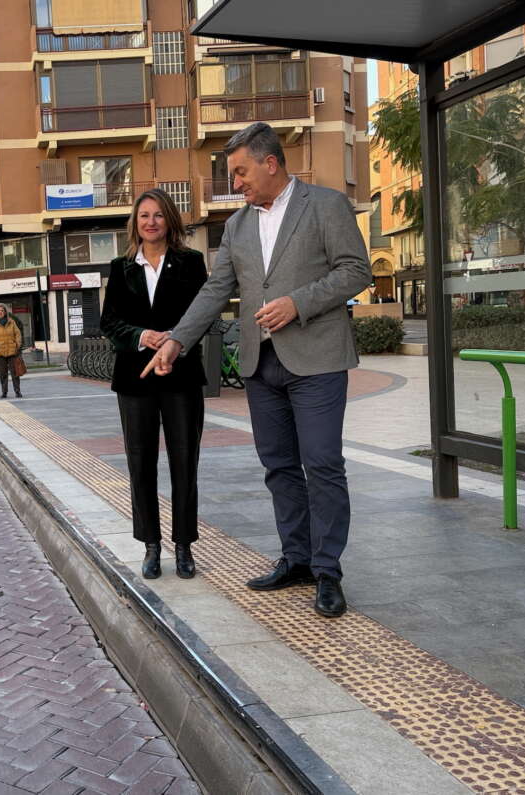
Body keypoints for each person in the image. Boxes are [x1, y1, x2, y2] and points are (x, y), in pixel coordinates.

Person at [143, 122, 371, 617]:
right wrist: (177, 341)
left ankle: (328, 571)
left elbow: (357, 271)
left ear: (271, 163)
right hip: (260, 365)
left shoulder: (327, 205)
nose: (236, 183)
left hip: (316, 361)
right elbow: (214, 290)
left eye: (241, 172)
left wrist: (298, 302)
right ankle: (297, 559)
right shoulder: (239, 226)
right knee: (280, 468)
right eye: (232, 175)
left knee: (323, 465)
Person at [100, 188, 208, 580]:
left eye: (158, 215)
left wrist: (174, 340)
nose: (151, 222)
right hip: (134, 380)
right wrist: (143, 336)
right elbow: (109, 322)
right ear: (135, 222)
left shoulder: (191, 262)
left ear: (170, 221)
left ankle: (183, 546)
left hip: (181, 375)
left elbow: (204, 312)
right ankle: (150, 545)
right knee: (140, 464)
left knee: (185, 462)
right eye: (144, 215)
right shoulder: (121, 267)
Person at [0, 303, 22, 398]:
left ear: (5, 312)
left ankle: (17, 391)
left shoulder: (11, 322)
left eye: (2, 310)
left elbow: (17, 333)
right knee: (3, 374)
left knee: (15, 373)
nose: (0, 312)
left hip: (12, 351)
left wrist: (17, 345)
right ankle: (4, 392)